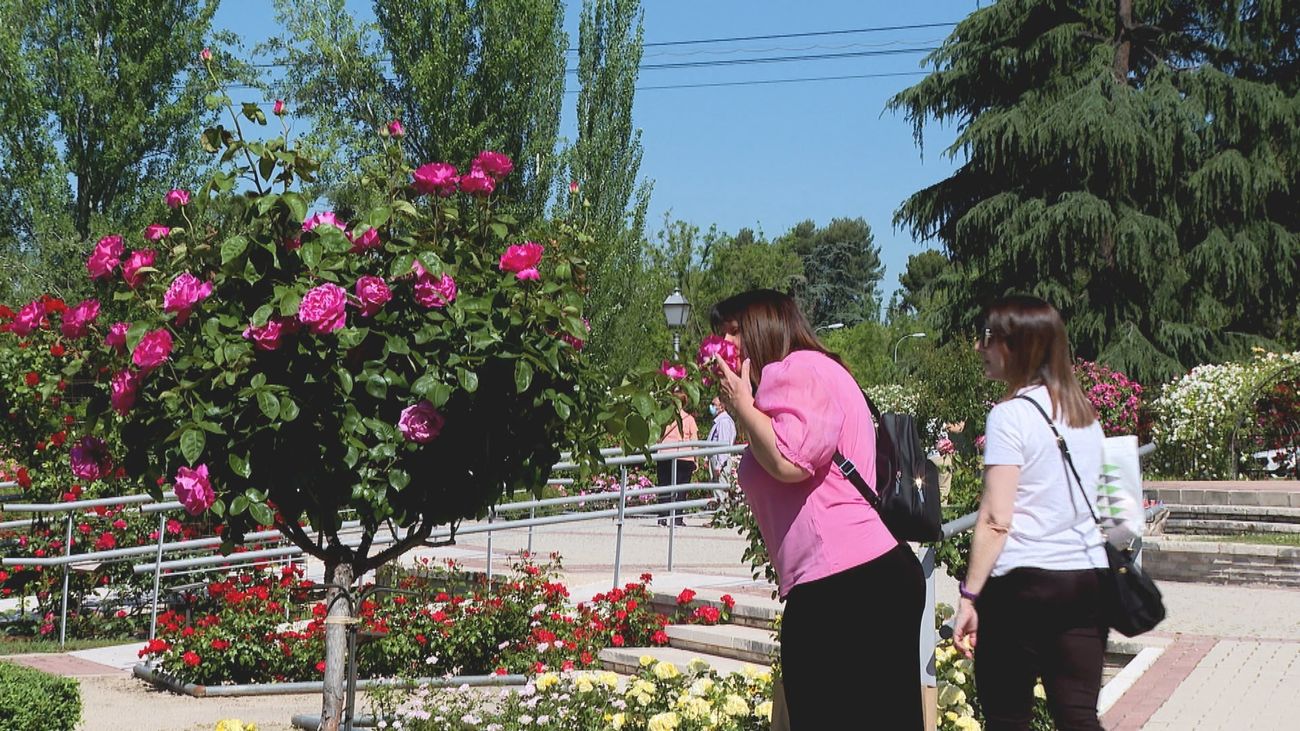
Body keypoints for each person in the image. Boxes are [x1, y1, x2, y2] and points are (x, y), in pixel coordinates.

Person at [709, 289, 924, 730]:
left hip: (845, 585)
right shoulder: (810, 373)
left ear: (762, 329)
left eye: (733, 333)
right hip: (865, 577)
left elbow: (791, 461)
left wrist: (743, 407)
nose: (723, 347)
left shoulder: (796, 370)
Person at [953, 295, 1108, 731]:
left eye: (989, 338)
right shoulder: (1084, 415)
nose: (980, 348)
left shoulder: (1009, 416)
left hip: (1023, 586)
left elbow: (996, 518)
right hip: (1086, 580)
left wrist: (969, 597)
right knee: (1078, 717)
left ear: (1018, 346)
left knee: (1007, 718)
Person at [655, 390, 697, 526]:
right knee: (681, 488)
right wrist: (696, 459)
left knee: (664, 487)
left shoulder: (664, 418)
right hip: (684, 457)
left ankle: (662, 516)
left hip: (665, 454)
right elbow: (694, 440)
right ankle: (677, 518)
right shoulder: (689, 419)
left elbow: (657, 436)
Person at [705, 395, 737, 481]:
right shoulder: (719, 421)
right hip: (716, 461)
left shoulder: (724, 422)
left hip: (720, 464)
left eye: (714, 404)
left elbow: (723, 444)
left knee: (719, 492)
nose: (711, 406)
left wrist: (718, 466)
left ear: (721, 407)